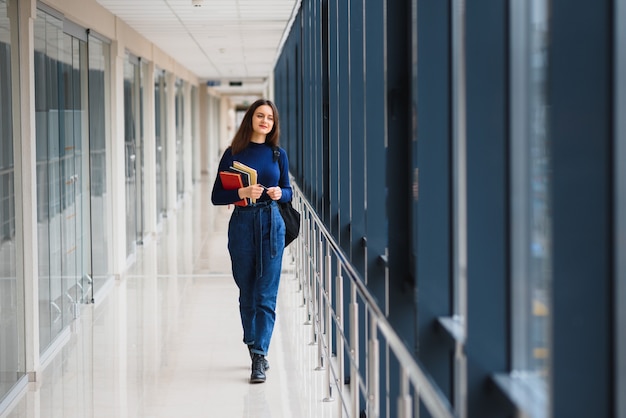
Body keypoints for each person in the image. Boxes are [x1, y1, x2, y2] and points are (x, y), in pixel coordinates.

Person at [211, 99, 292, 383]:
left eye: (270, 117)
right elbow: (216, 196)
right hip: (243, 223)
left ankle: (260, 355)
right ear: (251, 119)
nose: (265, 120)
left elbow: (288, 190)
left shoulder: (277, 154)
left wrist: (280, 195)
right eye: (260, 115)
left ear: (273, 124)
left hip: (272, 223)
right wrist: (242, 191)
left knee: (266, 293)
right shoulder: (233, 153)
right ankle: (252, 344)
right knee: (247, 290)